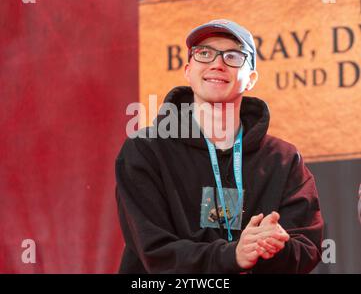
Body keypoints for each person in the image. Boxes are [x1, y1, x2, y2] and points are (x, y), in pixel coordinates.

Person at [115, 19, 324, 273]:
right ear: (188, 70)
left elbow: (308, 249)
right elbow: (156, 252)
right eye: (204, 53)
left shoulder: (284, 159)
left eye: (233, 56)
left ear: (251, 79)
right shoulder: (145, 151)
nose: (217, 63)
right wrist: (232, 255)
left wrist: (276, 246)